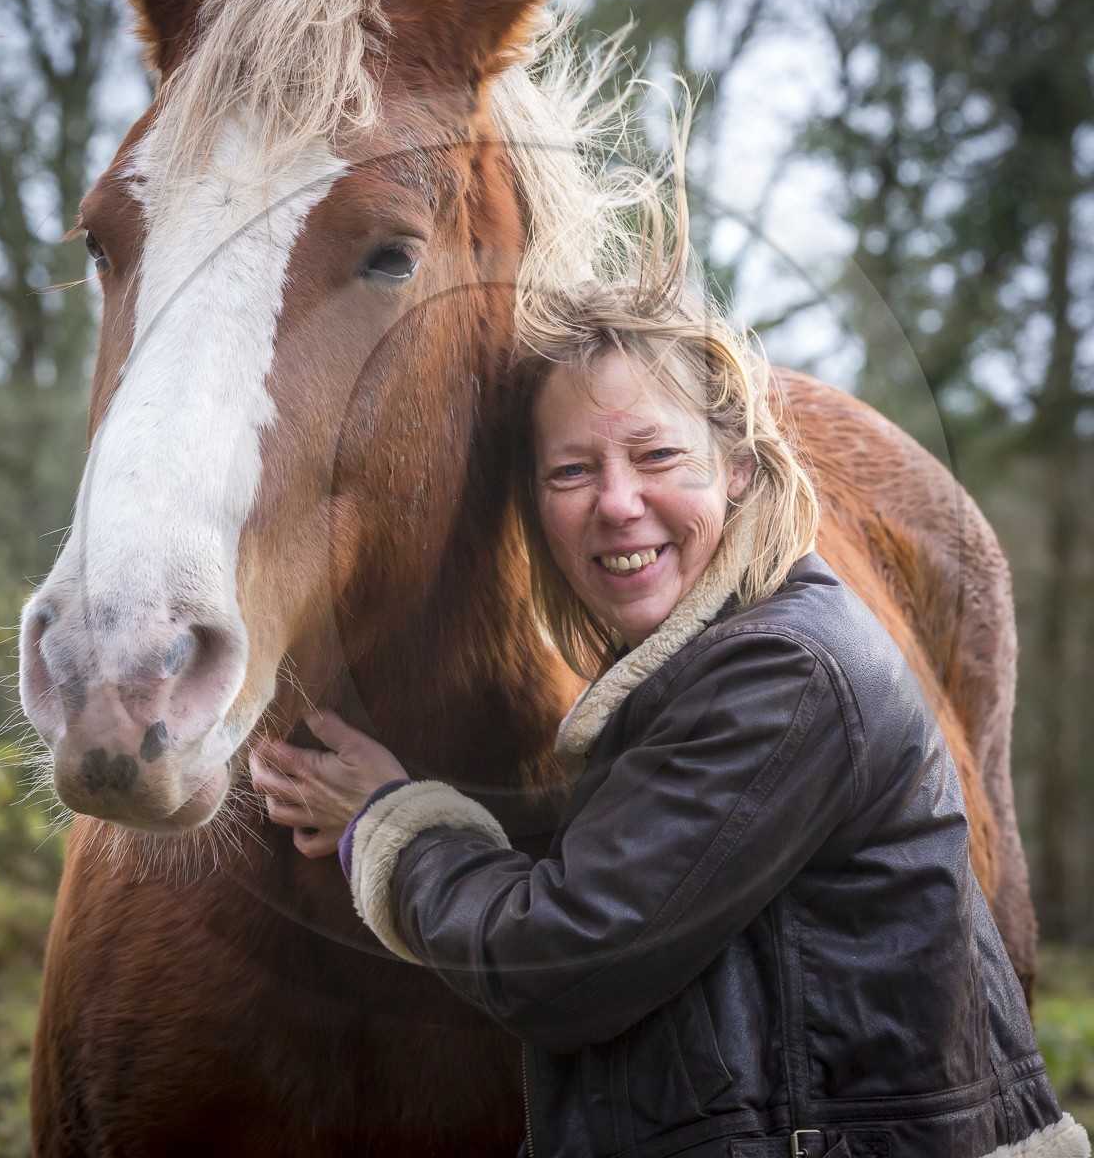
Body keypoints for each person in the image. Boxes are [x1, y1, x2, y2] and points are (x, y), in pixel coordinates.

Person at [249, 257, 1088, 1157]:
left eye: (657, 455)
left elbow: (566, 963)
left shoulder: (783, 670)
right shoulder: (692, 664)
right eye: (572, 471)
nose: (617, 503)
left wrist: (389, 823)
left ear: (735, 467)